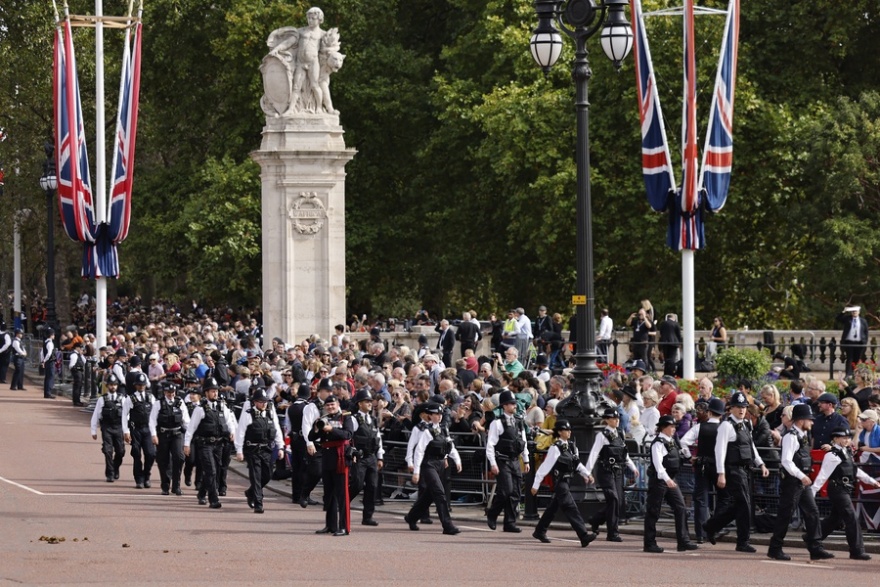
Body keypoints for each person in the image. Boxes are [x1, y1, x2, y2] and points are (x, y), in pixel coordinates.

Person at [703, 391, 770, 553]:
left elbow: (751, 446)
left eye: (744, 407)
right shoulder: (726, 426)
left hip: (745, 469)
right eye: (738, 407)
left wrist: (761, 463)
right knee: (745, 505)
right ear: (731, 408)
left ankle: (711, 526)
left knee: (739, 505)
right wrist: (721, 473)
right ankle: (742, 541)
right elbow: (720, 450)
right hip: (733, 469)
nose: (741, 410)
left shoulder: (746, 424)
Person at [767, 404, 832, 561]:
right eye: (809, 419)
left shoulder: (803, 435)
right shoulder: (791, 437)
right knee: (786, 514)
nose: (812, 422)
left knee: (812, 512)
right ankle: (775, 548)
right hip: (793, 482)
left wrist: (803, 476)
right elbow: (786, 461)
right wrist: (801, 475)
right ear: (801, 420)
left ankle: (815, 547)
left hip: (801, 481)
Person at [812, 427, 880, 560]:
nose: (847, 440)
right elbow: (823, 475)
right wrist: (813, 492)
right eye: (843, 438)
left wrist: (872, 481)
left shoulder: (846, 452)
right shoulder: (831, 455)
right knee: (851, 517)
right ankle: (857, 550)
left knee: (834, 519)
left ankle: (812, 537)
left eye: (848, 438)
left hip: (845, 489)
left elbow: (854, 470)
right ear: (835, 439)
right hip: (837, 489)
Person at [530, 419, 598, 547]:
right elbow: (545, 467)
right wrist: (535, 484)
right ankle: (583, 536)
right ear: (560, 432)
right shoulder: (555, 448)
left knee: (552, 508)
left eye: (570, 429)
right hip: (560, 482)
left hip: (567, 481)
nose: (569, 432)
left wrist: (587, 474)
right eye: (566, 430)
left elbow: (577, 464)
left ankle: (539, 531)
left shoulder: (572, 447)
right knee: (570, 507)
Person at [404, 402, 462, 535]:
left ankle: (411, 517)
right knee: (440, 493)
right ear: (429, 415)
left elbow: (450, 446)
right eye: (436, 414)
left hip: (440, 464)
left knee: (428, 496)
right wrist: (416, 471)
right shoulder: (426, 431)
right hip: (429, 464)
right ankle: (447, 525)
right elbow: (419, 451)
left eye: (440, 414)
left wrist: (457, 459)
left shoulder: (444, 429)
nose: (439, 416)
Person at [643, 415, 698, 553]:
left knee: (681, 508)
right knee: (653, 511)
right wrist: (667, 479)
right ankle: (649, 543)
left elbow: (679, 454)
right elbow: (658, 465)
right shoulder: (658, 443)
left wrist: (688, 457)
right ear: (663, 427)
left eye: (674, 426)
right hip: (660, 481)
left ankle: (683, 541)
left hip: (671, 479)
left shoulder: (672, 441)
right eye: (671, 426)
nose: (674, 429)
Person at [585, 408, 639, 541]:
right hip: (606, 471)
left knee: (617, 501)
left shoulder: (620, 433)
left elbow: (624, 453)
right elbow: (594, 454)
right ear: (607, 420)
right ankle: (613, 533)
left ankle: (596, 520)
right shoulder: (602, 435)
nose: (616, 420)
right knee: (613, 499)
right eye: (613, 418)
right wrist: (587, 472)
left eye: (617, 418)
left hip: (618, 471)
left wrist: (632, 467)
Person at [680, 397, 726, 544]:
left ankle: (701, 534)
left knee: (701, 500)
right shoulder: (725, 428)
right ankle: (714, 528)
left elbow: (683, 442)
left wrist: (689, 457)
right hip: (719, 467)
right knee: (723, 498)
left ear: (709, 412)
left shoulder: (699, 427)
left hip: (702, 465)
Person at [184, 381, 237, 509]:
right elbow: (191, 428)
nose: (215, 393)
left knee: (215, 471)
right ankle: (213, 499)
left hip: (219, 444)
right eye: (213, 391)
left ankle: (202, 493)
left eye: (216, 391)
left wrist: (232, 432)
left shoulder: (222, 406)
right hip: (205, 444)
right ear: (206, 393)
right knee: (211, 470)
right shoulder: (200, 409)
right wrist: (186, 444)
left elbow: (229, 421)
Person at [485, 390, 530, 533]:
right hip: (502, 460)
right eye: (511, 403)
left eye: (514, 403)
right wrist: (493, 463)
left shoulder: (519, 422)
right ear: (504, 406)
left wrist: (526, 460)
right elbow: (490, 445)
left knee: (516, 492)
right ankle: (492, 513)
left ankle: (509, 522)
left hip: (515, 460)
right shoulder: (497, 423)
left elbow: (523, 442)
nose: (514, 406)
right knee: (506, 491)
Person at [310, 395, 354, 535]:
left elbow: (348, 434)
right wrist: (316, 428)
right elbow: (311, 437)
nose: (330, 407)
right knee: (328, 494)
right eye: (328, 405)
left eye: (332, 405)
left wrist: (331, 430)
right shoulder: (323, 418)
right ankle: (330, 525)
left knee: (342, 494)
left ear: (338, 404)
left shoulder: (345, 417)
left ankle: (344, 526)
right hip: (327, 459)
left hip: (340, 458)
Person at [235, 388, 284, 514]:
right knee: (256, 476)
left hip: (267, 449)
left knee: (267, 476)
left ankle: (250, 492)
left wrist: (280, 446)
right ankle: (258, 503)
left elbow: (277, 429)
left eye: (265, 401)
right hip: (253, 449)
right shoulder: (248, 414)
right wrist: (239, 450)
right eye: (261, 402)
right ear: (255, 402)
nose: (264, 404)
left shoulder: (270, 413)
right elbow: (240, 432)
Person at [297, 377, 335, 507]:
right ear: (320, 391)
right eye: (327, 391)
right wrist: (309, 443)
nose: (330, 393)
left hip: (331, 444)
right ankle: (305, 493)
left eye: (331, 391)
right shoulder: (312, 406)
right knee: (316, 472)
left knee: (331, 473)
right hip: (317, 444)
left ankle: (329, 499)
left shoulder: (334, 406)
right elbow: (306, 425)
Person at [349, 389, 384, 526]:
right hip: (359, 457)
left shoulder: (373, 420)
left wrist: (380, 457)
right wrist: (352, 453)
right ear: (359, 404)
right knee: (357, 484)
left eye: (370, 401)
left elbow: (378, 439)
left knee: (372, 486)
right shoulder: (353, 419)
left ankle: (368, 517)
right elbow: (349, 437)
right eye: (366, 401)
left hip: (371, 457)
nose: (370, 403)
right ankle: (342, 502)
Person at [149, 381, 190, 496]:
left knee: (179, 457)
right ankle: (165, 486)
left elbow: (186, 421)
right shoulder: (158, 403)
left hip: (177, 434)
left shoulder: (180, 402)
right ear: (164, 392)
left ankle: (176, 486)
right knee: (163, 460)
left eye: (172, 392)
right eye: (168, 392)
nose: (170, 394)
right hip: (163, 434)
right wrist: (154, 435)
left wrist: (189, 436)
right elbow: (152, 420)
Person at [122, 372, 156, 489]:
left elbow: (155, 414)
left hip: (148, 429)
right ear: (135, 385)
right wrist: (126, 431)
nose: (141, 387)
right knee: (136, 454)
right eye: (139, 385)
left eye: (143, 384)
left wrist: (155, 432)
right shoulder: (130, 398)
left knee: (150, 454)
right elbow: (124, 415)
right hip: (135, 429)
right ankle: (139, 479)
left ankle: (147, 475)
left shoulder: (151, 397)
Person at [89, 374, 125, 482]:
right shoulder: (102, 399)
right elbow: (96, 414)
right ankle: (110, 473)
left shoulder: (122, 399)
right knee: (107, 450)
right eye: (111, 384)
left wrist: (127, 430)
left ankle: (115, 467)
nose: (113, 386)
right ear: (107, 385)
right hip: (107, 427)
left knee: (120, 451)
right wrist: (93, 430)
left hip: (118, 427)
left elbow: (126, 415)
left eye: (114, 384)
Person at [839, 305, 868, 378]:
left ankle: (855, 374)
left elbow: (866, 332)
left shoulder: (863, 321)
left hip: (859, 343)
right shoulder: (847, 319)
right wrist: (843, 311)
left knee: (857, 359)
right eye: (853, 311)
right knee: (849, 358)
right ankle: (848, 374)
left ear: (859, 312)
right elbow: (838, 318)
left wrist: (865, 342)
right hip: (849, 342)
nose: (854, 312)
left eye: (856, 311)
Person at [67, 341, 86, 406]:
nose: (81, 349)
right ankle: (76, 401)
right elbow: (71, 365)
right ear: (76, 347)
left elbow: (85, 361)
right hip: (76, 372)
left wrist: (81, 354)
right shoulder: (74, 355)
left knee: (79, 386)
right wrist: (75, 371)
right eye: (80, 347)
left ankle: (77, 400)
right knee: (77, 386)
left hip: (80, 372)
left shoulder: (78, 355)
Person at [40, 327, 56, 399]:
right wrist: (45, 360)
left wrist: (42, 361)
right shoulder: (50, 343)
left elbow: (41, 353)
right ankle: (48, 392)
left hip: (47, 362)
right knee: (50, 377)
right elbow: (49, 354)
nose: (54, 336)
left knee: (47, 377)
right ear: (51, 335)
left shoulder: (45, 342)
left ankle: (46, 393)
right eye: (53, 334)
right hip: (50, 362)